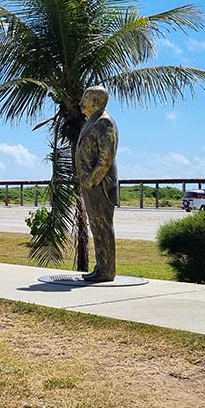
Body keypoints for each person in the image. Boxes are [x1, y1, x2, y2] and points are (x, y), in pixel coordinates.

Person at [75, 86, 118, 282]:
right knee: (97, 226)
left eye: (85, 99)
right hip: (91, 185)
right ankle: (102, 267)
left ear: (95, 101)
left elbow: (106, 158)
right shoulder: (92, 121)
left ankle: (107, 270)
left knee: (102, 225)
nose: (81, 103)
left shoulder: (104, 122)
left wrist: (90, 180)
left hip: (100, 185)